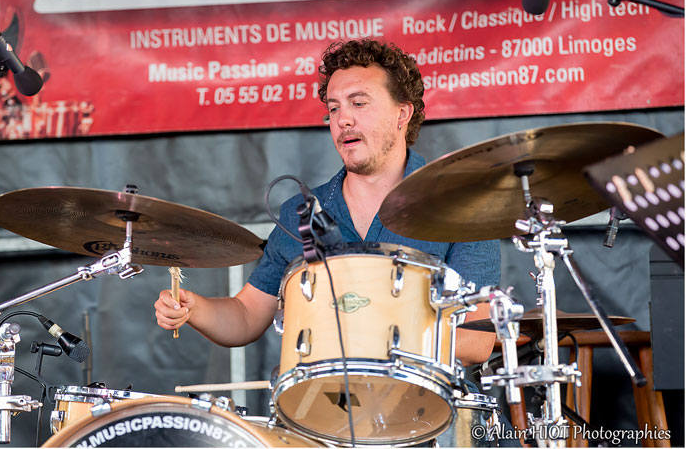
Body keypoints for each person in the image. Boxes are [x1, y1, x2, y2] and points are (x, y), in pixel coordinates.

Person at [155, 38, 500, 366]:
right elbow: (246, 315)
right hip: (329, 404)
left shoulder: (461, 206)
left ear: (402, 114)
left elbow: (476, 342)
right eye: (334, 108)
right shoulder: (302, 213)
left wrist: (369, 332)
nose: (342, 119)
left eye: (358, 103)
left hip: (429, 405)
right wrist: (194, 308)